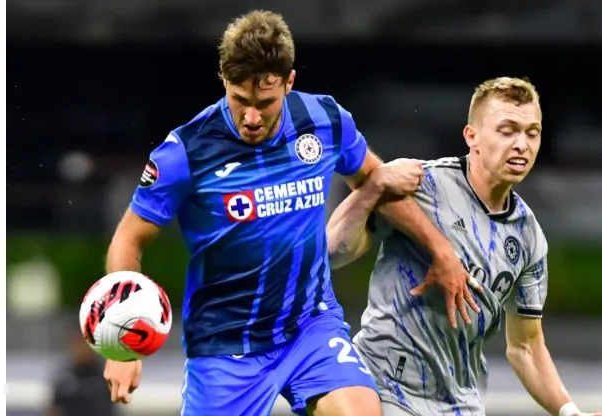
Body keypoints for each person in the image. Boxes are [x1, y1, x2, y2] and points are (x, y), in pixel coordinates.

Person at [101, 10, 480, 416]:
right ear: (223, 80)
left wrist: (441, 250)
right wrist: (121, 345)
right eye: (239, 100)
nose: (250, 117)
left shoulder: (324, 119)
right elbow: (128, 240)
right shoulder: (185, 152)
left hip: (310, 328)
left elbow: (377, 183)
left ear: (289, 81)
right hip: (227, 344)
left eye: (264, 103)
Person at [327, 77, 602, 416]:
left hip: (460, 403)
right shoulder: (423, 186)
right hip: (384, 386)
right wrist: (370, 191)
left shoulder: (529, 236)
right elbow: (334, 252)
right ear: (471, 136)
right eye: (507, 130)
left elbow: (526, 346)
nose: (522, 144)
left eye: (532, 133)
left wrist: (569, 411)